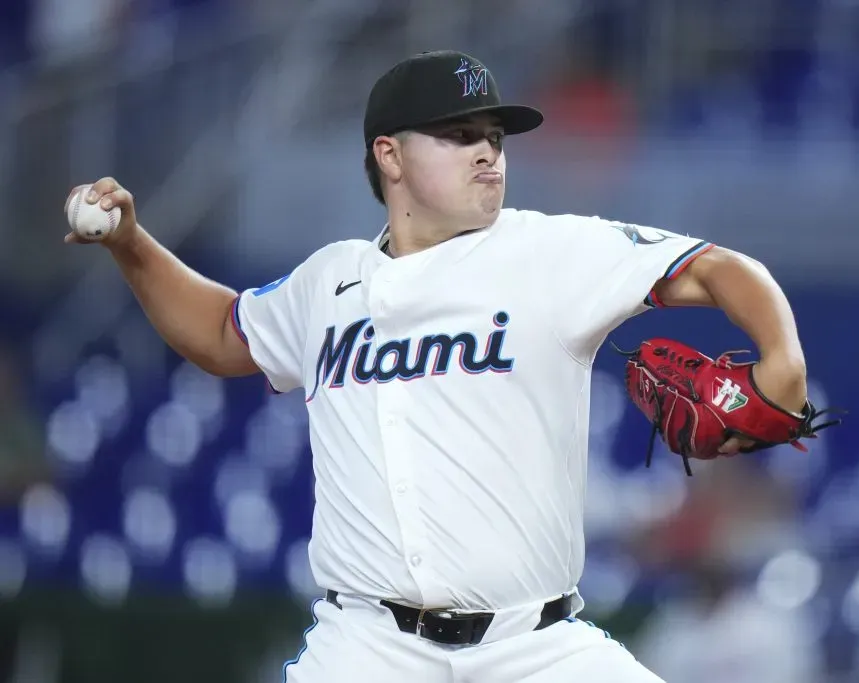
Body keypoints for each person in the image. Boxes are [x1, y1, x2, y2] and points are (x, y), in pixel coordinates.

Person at [65, 50, 810, 683]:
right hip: (367, 647)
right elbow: (225, 333)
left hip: (536, 646)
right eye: (458, 135)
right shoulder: (330, 281)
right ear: (389, 154)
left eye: (494, 135)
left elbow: (716, 268)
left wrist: (782, 361)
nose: (488, 151)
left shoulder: (549, 250)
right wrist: (131, 244)